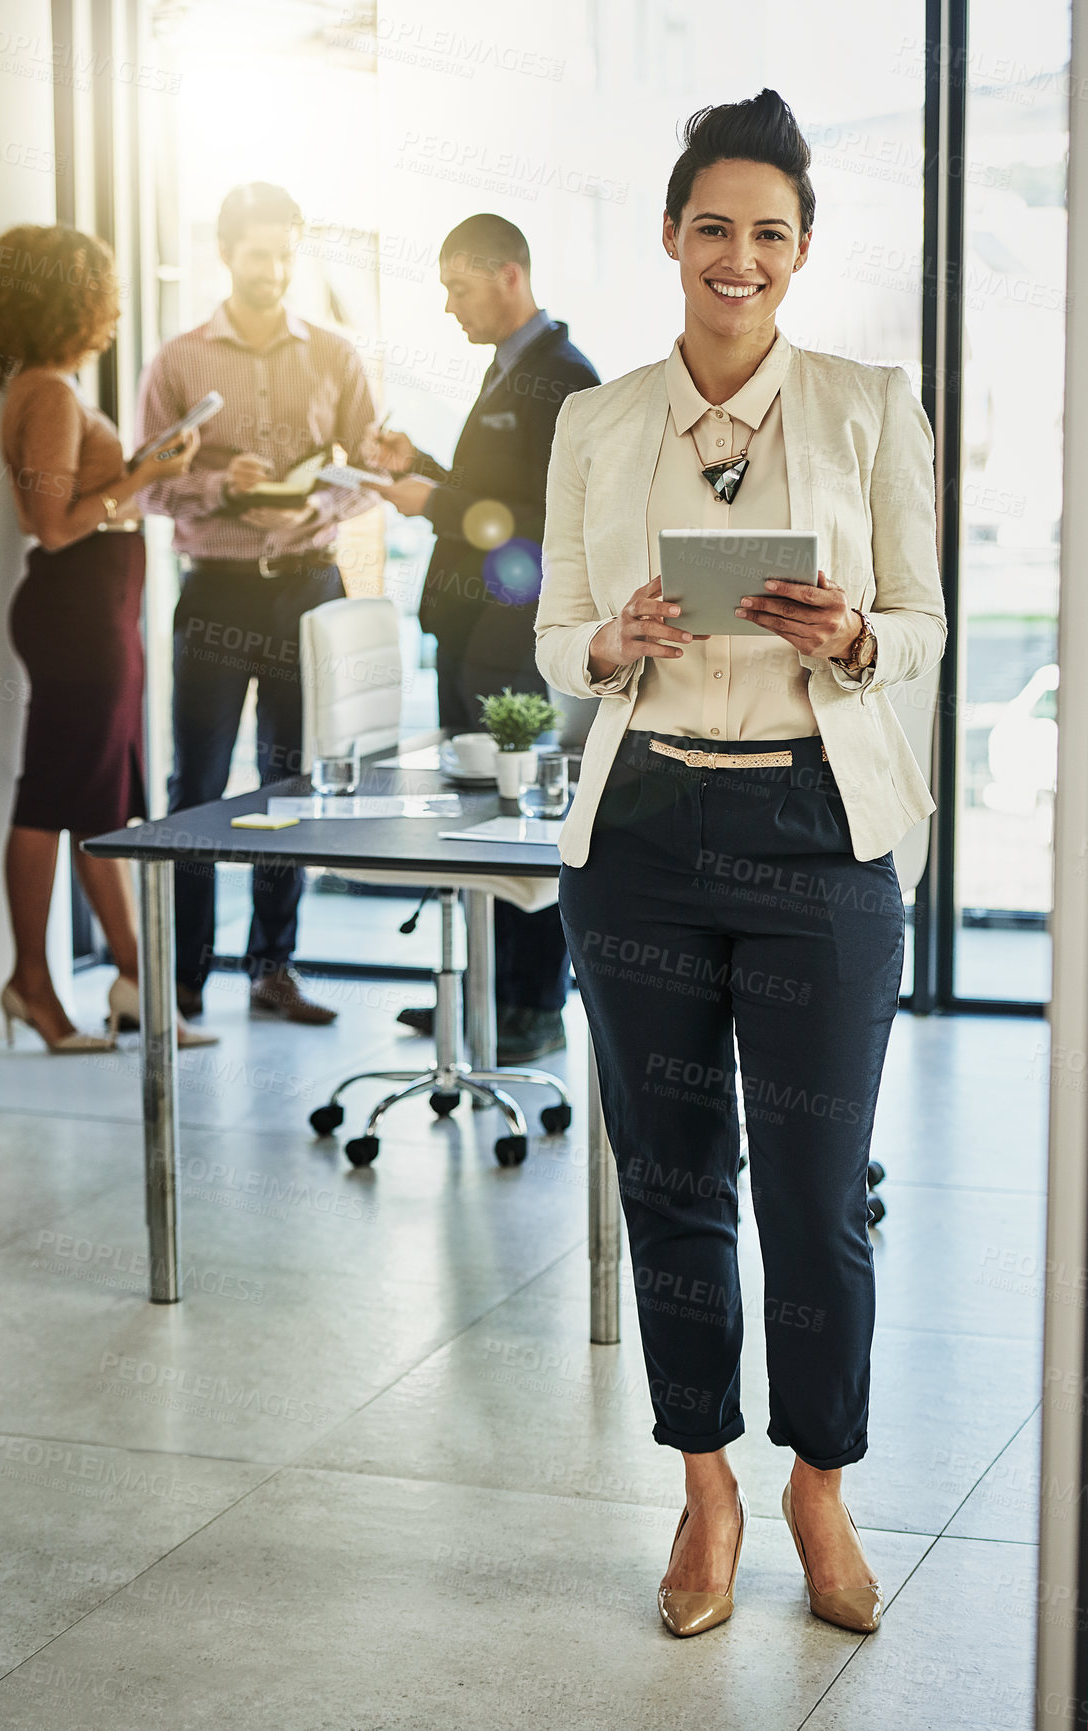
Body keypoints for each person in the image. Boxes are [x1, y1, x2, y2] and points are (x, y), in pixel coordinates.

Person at [535, 90, 946, 1637]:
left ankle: (816, 1480)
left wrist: (848, 636)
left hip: (817, 836)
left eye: (766, 232)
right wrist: (608, 638)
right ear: (667, 235)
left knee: (816, 1189)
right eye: (710, 225)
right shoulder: (596, 417)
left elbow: (920, 620)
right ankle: (702, 1481)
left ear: (799, 252)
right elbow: (549, 630)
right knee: (671, 1176)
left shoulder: (862, 404)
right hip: (641, 835)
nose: (736, 255)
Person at [135, 182, 380, 1025]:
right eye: (256, 253)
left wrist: (313, 504)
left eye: (283, 253)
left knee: (292, 784)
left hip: (308, 589)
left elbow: (373, 472)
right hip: (216, 591)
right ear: (226, 252)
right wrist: (215, 483)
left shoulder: (336, 355)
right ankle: (185, 976)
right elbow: (149, 487)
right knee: (196, 783)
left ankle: (272, 968)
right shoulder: (176, 360)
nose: (271, 269)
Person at [365, 214, 599, 1063]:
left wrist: (435, 503)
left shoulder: (565, 378)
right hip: (470, 634)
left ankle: (533, 1007)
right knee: (474, 825)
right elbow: (489, 495)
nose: (450, 308)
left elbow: (548, 525)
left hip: (514, 643)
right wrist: (422, 464)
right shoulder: (506, 371)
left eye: (458, 288)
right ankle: (479, 996)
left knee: (522, 821)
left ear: (509, 275)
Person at [0, 224, 217, 1054]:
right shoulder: (48, 391)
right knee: (55, 796)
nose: (111, 313)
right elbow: (51, 527)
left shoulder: (52, 387)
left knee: (100, 800)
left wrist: (139, 471)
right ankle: (32, 985)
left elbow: (79, 504)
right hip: (77, 616)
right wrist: (147, 475)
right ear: (69, 301)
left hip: (97, 613)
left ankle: (131, 979)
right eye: (100, 295)